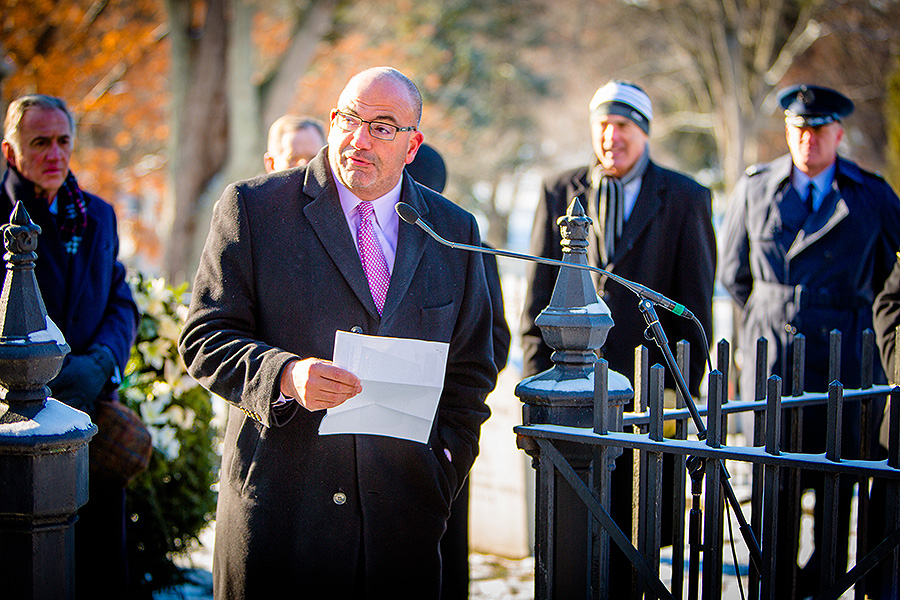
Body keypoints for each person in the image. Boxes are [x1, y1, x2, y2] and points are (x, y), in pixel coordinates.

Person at [179, 67, 498, 598]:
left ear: (413, 145)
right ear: (332, 120)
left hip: (402, 526)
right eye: (350, 120)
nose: (359, 139)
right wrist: (285, 375)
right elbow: (204, 336)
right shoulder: (253, 208)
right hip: (283, 519)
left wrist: (443, 468)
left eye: (382, 127)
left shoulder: (452, 229)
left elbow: (471, 369)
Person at [521, 80, 716, 595]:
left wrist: (678, 390)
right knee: (570, 532)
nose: (611, 137)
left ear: (645, 132)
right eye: (603, 125)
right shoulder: (559, 190)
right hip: (570, 393)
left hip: (645, 397)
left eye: (623, 126)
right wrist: (536, 380)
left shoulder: (685, 198)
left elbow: (695, 303)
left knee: (633, 534)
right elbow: (537, 295)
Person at [720, 84, 900, 596]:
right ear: (786, 131)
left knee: (836, 488)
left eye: (819, 130)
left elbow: (893, 278)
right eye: (798, 129)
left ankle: (825, 584)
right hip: (775, 361)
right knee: (775, 486)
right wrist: (774, 314)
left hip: (847, 362)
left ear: (838, 134)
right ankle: (776, 586)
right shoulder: (756, 188)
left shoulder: (872, 194)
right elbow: (734, 275)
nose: (807, 139)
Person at [1, 94, 138, 599]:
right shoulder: (3, 218)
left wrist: (101, 363)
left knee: (100, 562)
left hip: (93, 411)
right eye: (40, 142)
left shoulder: (97, 214)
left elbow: (120, 300)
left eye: (63, 141)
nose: (55, 154)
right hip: (19, 422)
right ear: (10, 152)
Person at [406, 143, 511, 600]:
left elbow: (494, 341)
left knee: (443, 550)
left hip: (441, 423)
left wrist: (444, 391)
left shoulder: (468, 246)